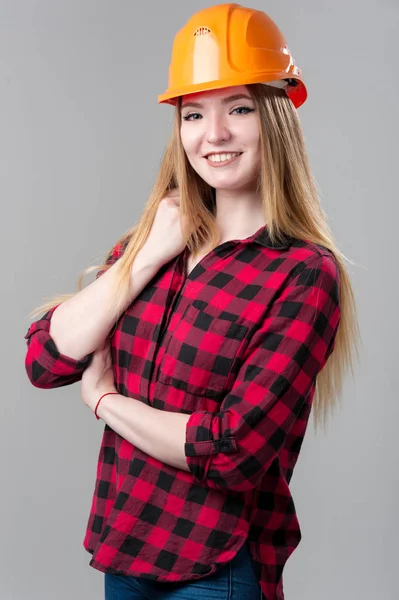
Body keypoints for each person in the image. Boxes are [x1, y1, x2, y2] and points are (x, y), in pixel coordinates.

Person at [24, 4, 360, 600]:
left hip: (217, 568)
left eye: (239, 109)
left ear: (275, 119)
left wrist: (104, 401)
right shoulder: (147, 246)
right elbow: (47, 360)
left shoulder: (304, 275)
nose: (215, 135)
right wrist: (147, 257)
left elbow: (232, 451)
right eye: (194, 113)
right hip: (122, 554)